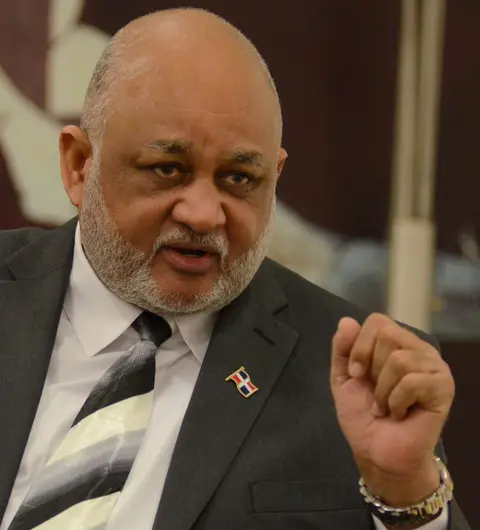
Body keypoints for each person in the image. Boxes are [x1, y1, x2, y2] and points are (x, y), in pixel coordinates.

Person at [0, 8, 470, 530]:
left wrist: (404, 490)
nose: (204, 214)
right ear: (78, 165)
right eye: (168, 169)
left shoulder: (355, 378)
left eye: (239, 178)